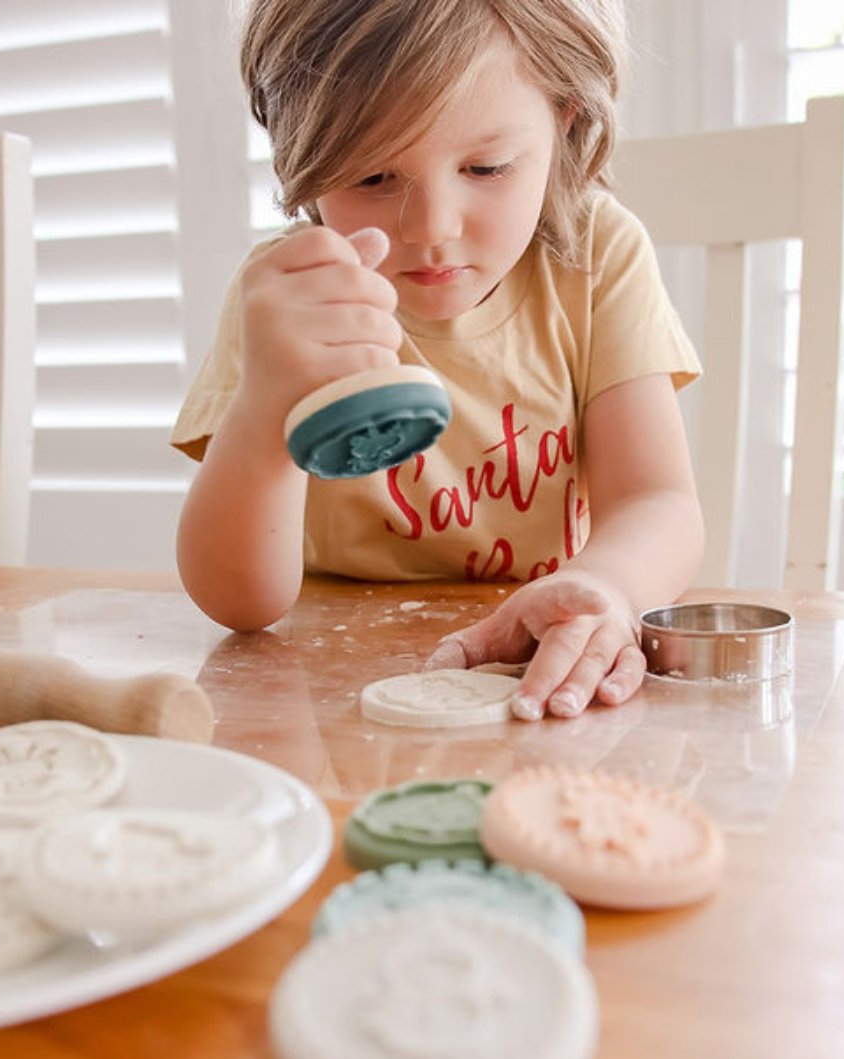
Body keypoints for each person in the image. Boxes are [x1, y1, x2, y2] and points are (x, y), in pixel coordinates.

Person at [171, 0, 704, 720]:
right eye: (371, 178)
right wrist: (266, 406)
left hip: (534, 675)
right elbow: (241, 605)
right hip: (330, 693)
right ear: (302, 155)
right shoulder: (293, 298)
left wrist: (607, 588)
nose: (431, 228)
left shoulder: (594, 256)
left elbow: (658, 501)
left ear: (566, 120)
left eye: (485, 167)